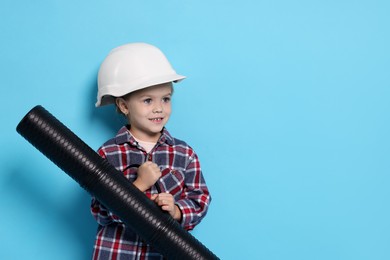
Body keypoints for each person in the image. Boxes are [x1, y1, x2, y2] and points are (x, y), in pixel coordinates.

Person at [90, 43, 211, 259]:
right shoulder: (108, 154)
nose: (159, 108)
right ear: (124, 106)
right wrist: (138, 186)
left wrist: (176, 211)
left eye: (165, 98)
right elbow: (100, 211)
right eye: (147, 100)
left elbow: (199, 198)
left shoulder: (184, 154)